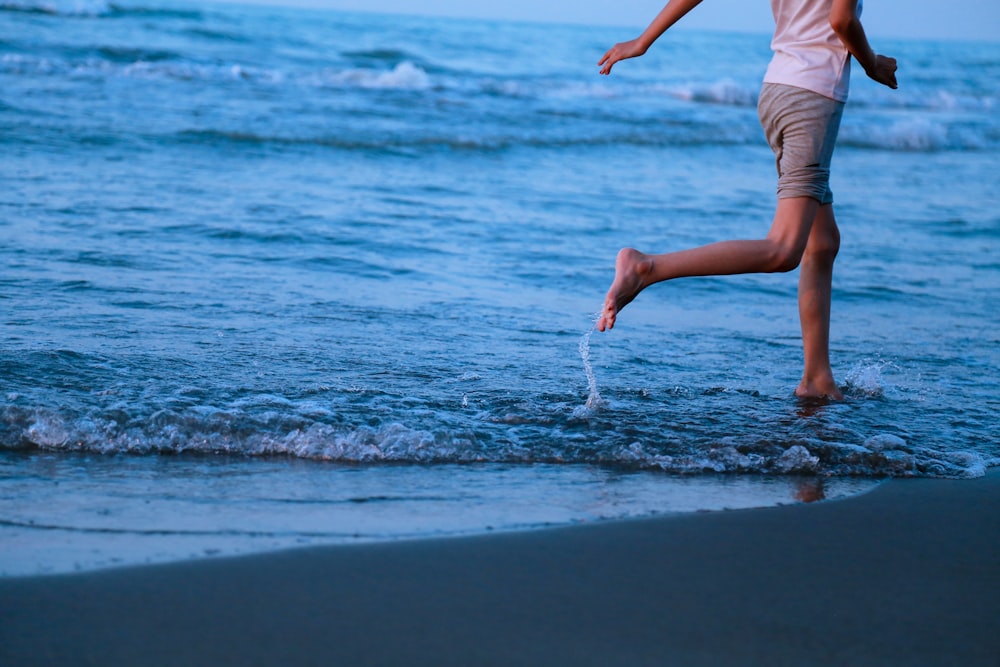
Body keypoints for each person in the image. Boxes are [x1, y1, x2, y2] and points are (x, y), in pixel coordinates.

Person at [595, 0, 898, 399]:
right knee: (784, 250)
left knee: (821, 243)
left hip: (779, 92)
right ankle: (647, 267)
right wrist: (872, 64)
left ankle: (816, 378)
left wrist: (644, 40)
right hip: (812, 99)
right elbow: (841, 19)